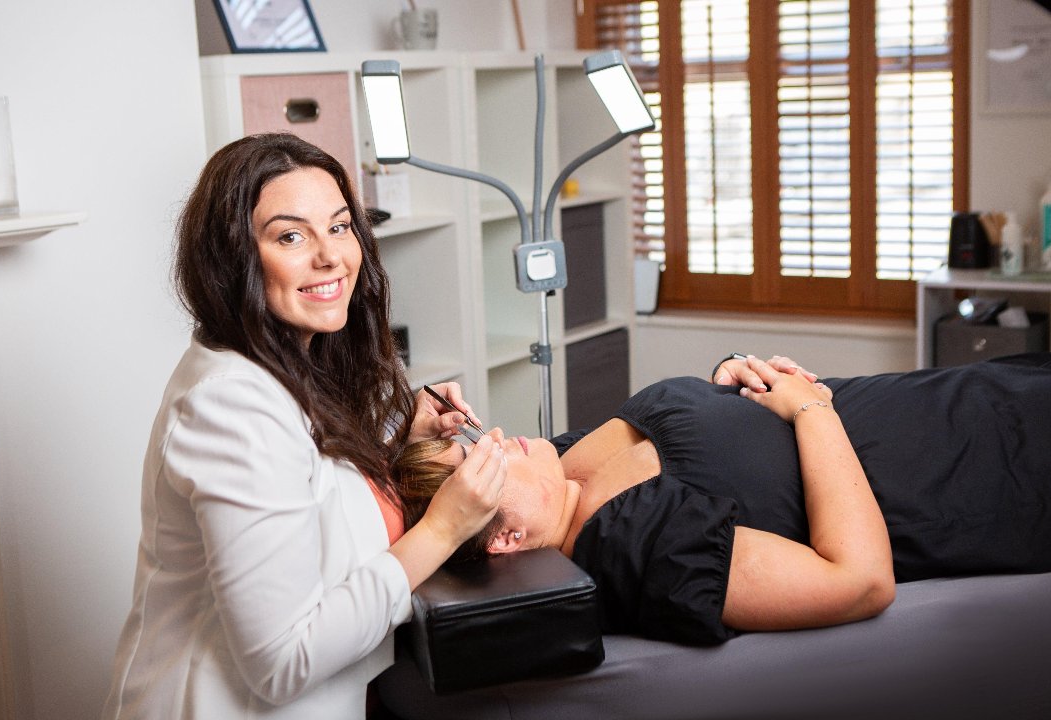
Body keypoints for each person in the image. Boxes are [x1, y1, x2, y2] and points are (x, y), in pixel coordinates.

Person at [101, 133, 506, 720]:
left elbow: (308, 501)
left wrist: (398, 446)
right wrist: (443, 530)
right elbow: (282, 662)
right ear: (232, 259)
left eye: (340, 227)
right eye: (291, 236)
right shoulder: (230, 409)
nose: (330, 256)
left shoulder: (293, 362)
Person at [394, 353, 1051, 646]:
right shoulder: (633, 543)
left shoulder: (561, 467)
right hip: (984, 471)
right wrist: (812, 412)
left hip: (960, 397)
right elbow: (859, 581)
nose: (495, 437)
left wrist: (731, 379)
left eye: (472, 437)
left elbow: (716, 444)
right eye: (481, 461)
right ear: (505, 539)